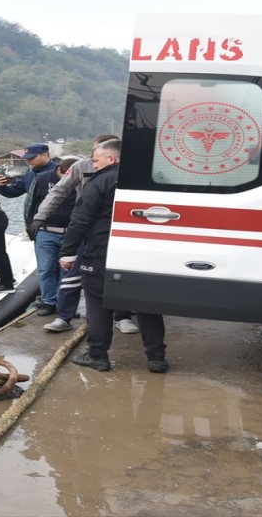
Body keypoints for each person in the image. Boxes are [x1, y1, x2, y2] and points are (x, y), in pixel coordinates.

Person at [58, 140, 168, 372]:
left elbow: (80, 219)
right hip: (145, 253)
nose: (94, 165)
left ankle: (97, 355)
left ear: (111, 159)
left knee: (99, 304)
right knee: (147, 304)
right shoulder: (155, 180)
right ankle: (156, 358)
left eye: (96, 160)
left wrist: (67, 252)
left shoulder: (101, 181)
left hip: (103, 251)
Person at [31, 134, 139, 334]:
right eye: (94, 154)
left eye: (98, 155)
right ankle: (64, 316)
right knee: (73, 273)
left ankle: (122, 316)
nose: (94, 160)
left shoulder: (129, 170)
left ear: (111, 155)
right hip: (88, 227)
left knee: (119, 274)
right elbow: (59, 191)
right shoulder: (81, 166)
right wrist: (40, 216)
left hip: (119, 231)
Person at [29, 157, 78, 316]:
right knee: (46, 269)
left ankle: (63, 304)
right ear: (60, 170)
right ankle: (48, 302)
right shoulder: (41, 179)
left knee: (67, 271)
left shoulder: (82, 180)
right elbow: (30, 203)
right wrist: (30, 225)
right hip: (46, 231)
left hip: (71, 233)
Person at [0, 143, 60, 238]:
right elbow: (13, 192)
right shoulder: (29, 174)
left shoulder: (60, 172)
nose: (28, 161)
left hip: (61, 225)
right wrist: (1, 186)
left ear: (45, 155)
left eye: (32, 158)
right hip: (38, 226)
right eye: (27, 158)